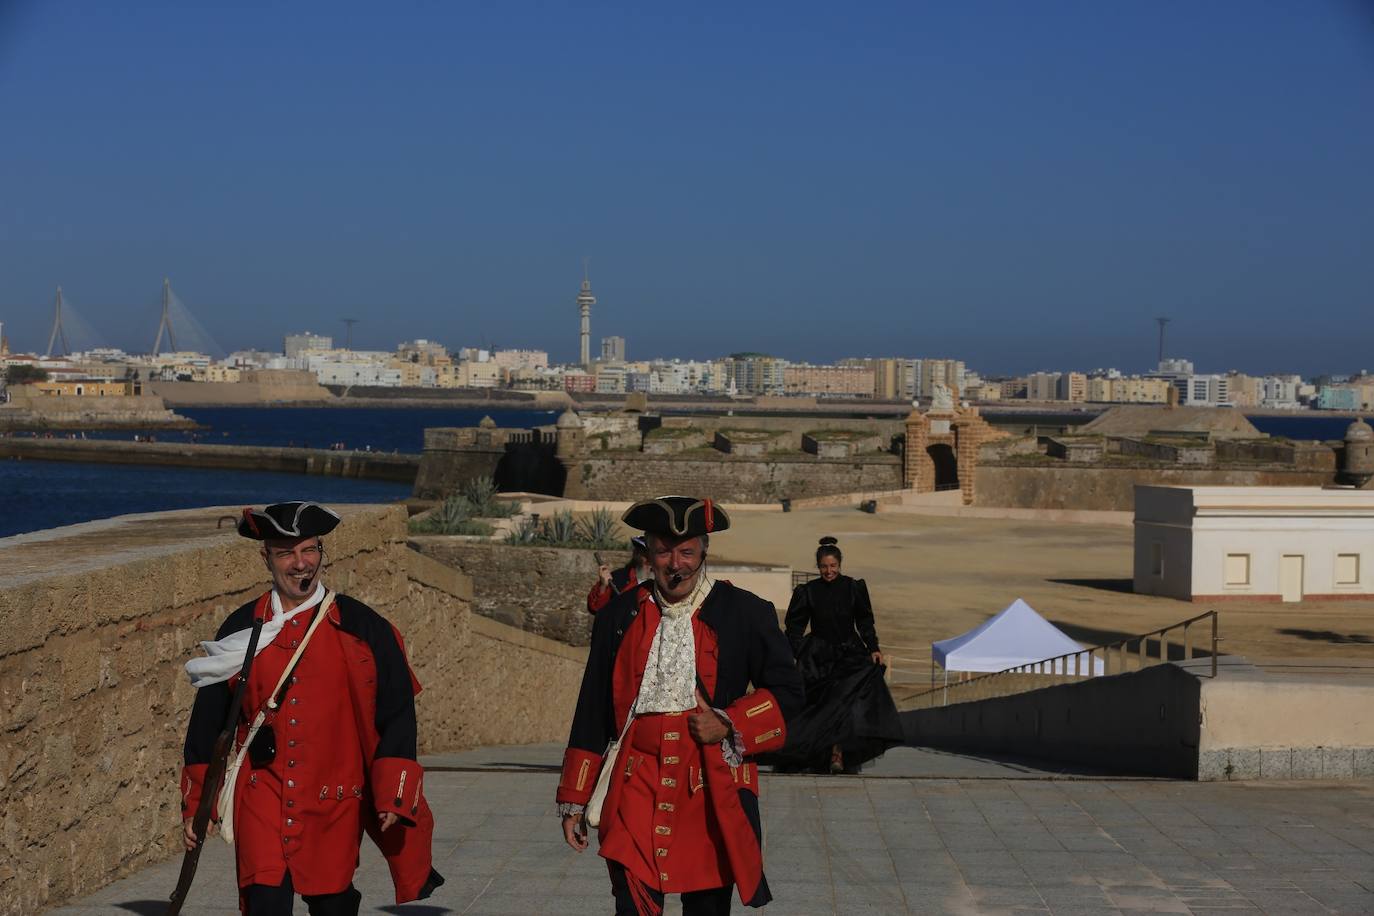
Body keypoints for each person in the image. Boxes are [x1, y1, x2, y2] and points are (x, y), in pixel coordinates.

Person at [178, 501, 443, 915]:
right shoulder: (240, 628)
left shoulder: (365, 628)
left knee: (332, 904)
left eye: (310, 551)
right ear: (265, 558)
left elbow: (396, 714)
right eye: (286, 553)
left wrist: (393, 794)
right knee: (263, 901)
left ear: (322, 552)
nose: (301, 564)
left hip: (335, 799)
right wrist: (196, 807)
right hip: (259, 794)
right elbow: (209, 724)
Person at [557, 495, 804, 915]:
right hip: (635, 782)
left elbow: (789, 692)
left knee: (707, 905)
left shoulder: (746, 612)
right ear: (648, 553)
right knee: (632, 903)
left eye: (687, 551)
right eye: (664, 551)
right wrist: (574, 799)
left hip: (712, 787)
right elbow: (593, 707)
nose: (676, 564)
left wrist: (729, 722)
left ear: (704, 550)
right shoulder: (619, 615)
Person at [772, 536, 903, 774]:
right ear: (818, 566)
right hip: (817, 658)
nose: (828, 571)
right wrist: (796, 652)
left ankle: (838, 753)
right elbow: (794, 626)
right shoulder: (807, 591)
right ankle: (817, 755)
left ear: (840, 565)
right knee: (818, 708)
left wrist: (873, 647)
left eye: (833, 566)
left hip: (850, 655)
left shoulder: (854, 588)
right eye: (824, 566)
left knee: (846, 706)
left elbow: (865, 621)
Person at [586, 535, 652, 614]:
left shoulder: (663, 582)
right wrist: (603, 586)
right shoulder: (618, 578)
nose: (649, 561)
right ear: (637, 554)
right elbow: (595, 608)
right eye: (645, 555)